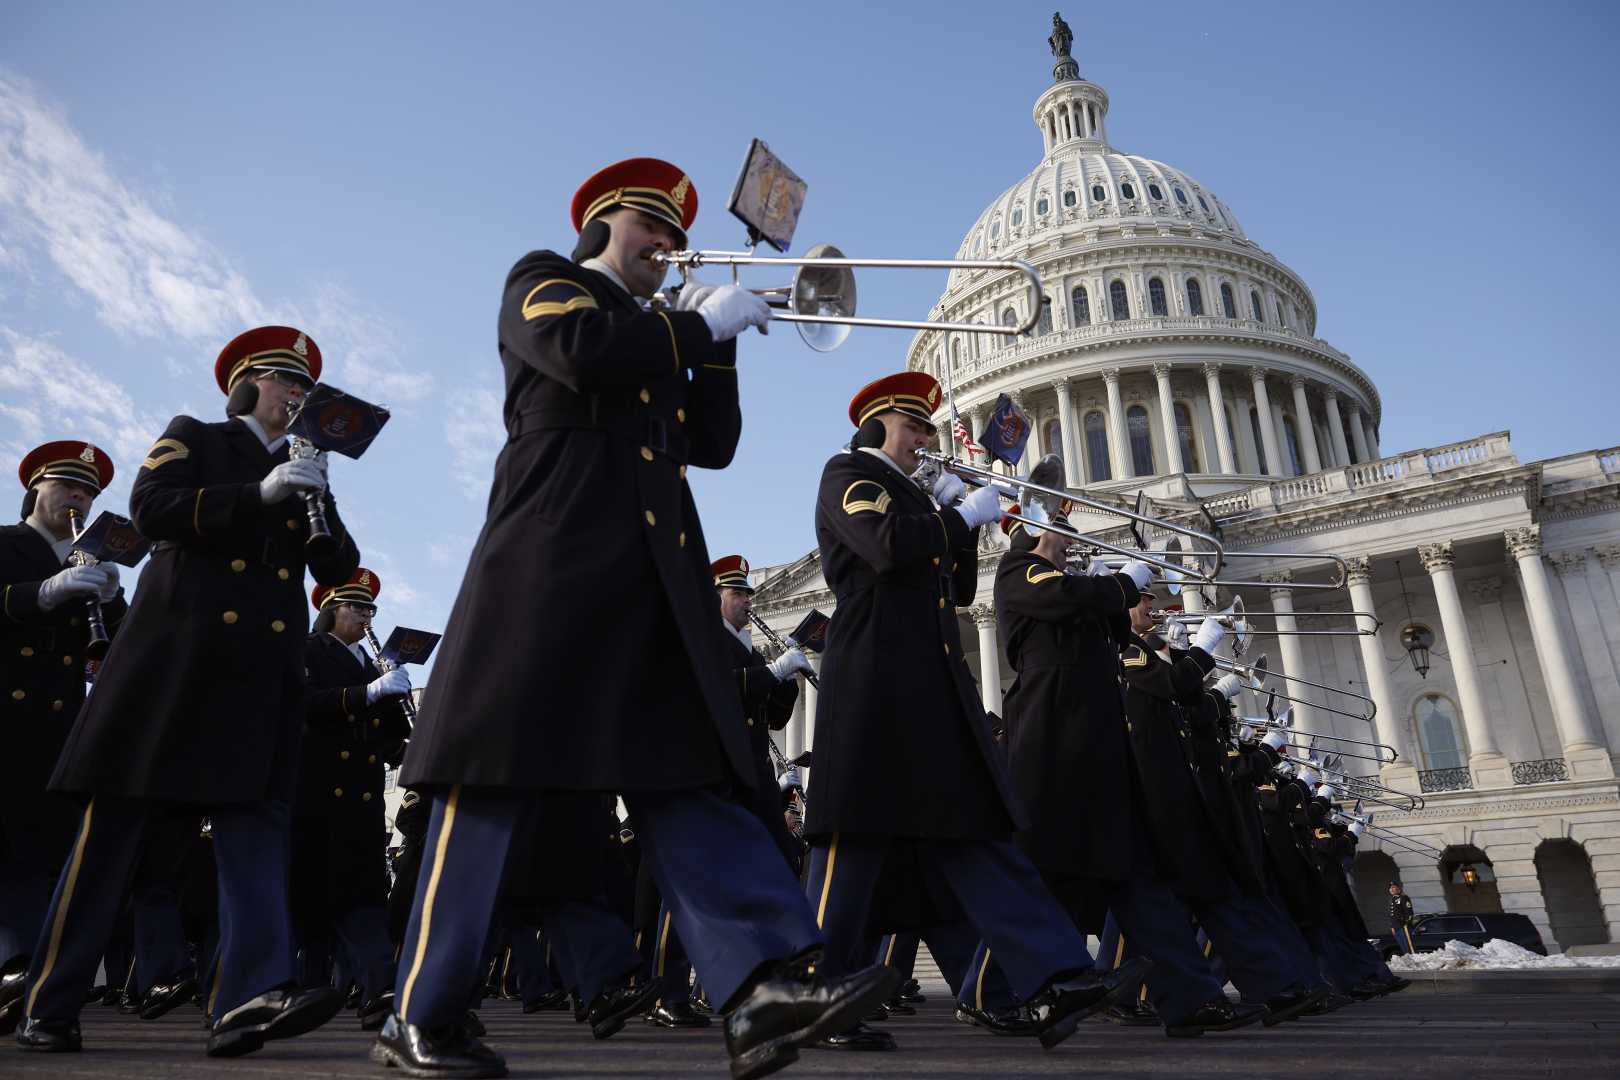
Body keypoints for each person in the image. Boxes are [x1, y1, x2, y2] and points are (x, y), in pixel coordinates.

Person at [374, 157, 897, 1080]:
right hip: (555, 560)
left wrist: (722, 339)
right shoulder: (548, 281)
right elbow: (579, 354)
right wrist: (691, 322)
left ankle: (761, 985)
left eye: (671, 233)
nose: (666, 245)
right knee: (488, 785)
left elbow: (715, 443)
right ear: (608, 221)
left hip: (653, 576)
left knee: (687, 773)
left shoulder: (658, 328)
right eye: (652, 228)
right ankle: (421, 1010)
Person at [14, 325, 361, 1056]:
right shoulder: (196, 436)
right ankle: (50, 1000)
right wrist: (257, 492)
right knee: (111, 838)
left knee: (257, 835)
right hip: (176, 665)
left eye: (304, 388)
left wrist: (316, 496)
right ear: (244, 385)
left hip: (259, 680)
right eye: (282, 381)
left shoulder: (303, 466)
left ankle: (245, 998)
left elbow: (337, 561)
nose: (296, 395)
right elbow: (153, 507)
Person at [801, 370, 1150, 1054]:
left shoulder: (912, 495)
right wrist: (954, 515)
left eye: (931, 431)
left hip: (930, 687)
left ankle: (1056, 971)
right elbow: (883, 549)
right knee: (853, 842)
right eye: (915, 430)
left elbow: (955, 586)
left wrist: (958, 517)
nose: (927, 443)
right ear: (877, 429)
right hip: (875, 682)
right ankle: (816, 993)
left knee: (978, 835)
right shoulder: (849, 473)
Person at [0, 442, 123, 1035]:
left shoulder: (88, 559)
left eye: (89, 492)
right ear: (36, 491)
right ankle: (20, 971)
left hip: (60, 729)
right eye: (69, 487)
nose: (80, 499)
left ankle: (34, 986)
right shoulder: (6, 544)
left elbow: (118, 653)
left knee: (49, 858)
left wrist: (116, 602)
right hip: (4, 719)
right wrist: (40, 595)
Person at [291, 568, 413, 1029]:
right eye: (355, 607)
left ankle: (381, 989)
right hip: (316, 794)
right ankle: (294, 989)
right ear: (330, 610)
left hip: (360, 801)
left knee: (362, 896)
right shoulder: (308, 650)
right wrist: (368, 692)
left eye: (369, 609)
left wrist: (399, 708)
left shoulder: (372, 662)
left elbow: (388, 740)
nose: (365, 615)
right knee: (308, 902)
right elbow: (306, 704)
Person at [1389, 881, 1416, 955]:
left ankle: (1413, 960)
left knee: (1409, 947)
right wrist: (1392, 927)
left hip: (1403, 926)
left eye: (1393, 887)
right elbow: (1393, 916)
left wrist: (1406, 923)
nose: (1391, 889)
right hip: (1396, 927)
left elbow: (1409, 913)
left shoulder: (1403, 898)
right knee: (1403, 947)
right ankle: (1409, 962)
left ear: (1398, 889)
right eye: (1390, 888)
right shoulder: (1393, 900)